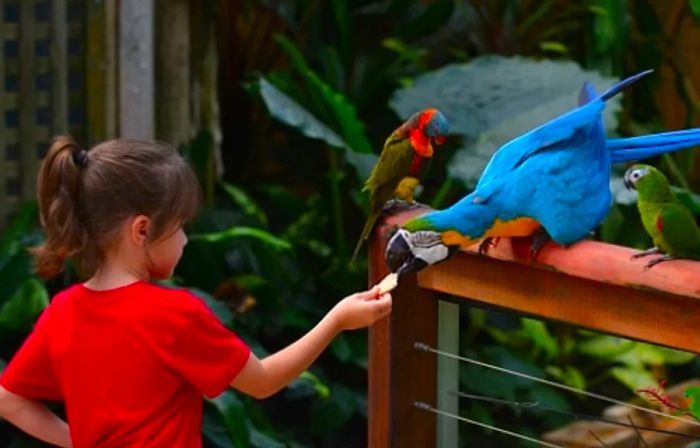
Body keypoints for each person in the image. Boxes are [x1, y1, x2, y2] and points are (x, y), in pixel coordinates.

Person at [0, 136, 392, 447]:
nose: (186, 240)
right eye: (181, 226)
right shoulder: (172, 314)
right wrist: (338, 320)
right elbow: (262, 381)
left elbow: (8, 399)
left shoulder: (63, 311)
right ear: (142, 231)